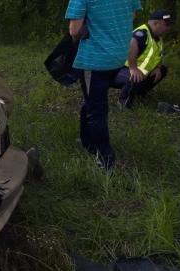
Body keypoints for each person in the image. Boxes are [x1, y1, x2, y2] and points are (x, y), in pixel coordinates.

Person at [66, 0, 142, 169]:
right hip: (118, 55)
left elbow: (74, 30)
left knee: (97, 109)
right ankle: (87, 142)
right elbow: (131, 15)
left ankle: (105, 156)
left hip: (95, 60)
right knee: (92, 100)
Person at [113, 10, 176, 109]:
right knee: (134, 76)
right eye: (166, 25)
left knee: (163, 70)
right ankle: (123, 102)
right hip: (118, 70)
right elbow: (132, 43)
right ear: (156, 23)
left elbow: (157, 56)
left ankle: (139, 93)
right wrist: (133, 68)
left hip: (141, 73)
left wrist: (158, 68)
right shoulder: (142, 33)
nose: (168, 28)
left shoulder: (157, 38)